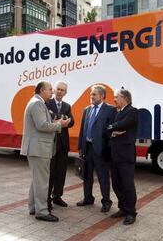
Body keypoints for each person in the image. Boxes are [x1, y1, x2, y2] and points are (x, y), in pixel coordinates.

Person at [20, 81, 71, 222]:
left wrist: (55, 121)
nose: (53, 92)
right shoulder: (37, 103)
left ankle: (33, 207)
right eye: (50, 89)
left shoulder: (37, 102)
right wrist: (59, 124)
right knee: (42, 181)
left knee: (36, 180)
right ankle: (42, 211)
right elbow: (42, 125)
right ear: (42, 90)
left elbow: (42, 123)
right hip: (39, 148)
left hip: (37, 148)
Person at [77, 84, 116, 213]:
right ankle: (88, 198)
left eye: (94, 94)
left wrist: (109, 148)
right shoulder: (87, 110)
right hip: (87, 148)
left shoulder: (110, 110)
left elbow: (112, 131)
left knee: (102, 176)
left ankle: (106, 201)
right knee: (86, 175)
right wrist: (81, 147)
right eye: (91, 94)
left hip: (101, 149)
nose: (91, 96)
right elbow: (82, 129)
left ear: (102, 96)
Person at [107, 88, 139, 225]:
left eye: (116, 97)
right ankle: (123, 208)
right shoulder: (116, 112)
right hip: (114, 155)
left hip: (126, 155)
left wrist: (112, 127)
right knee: (116, 184)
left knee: (127, 185)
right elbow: (107, 129)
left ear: (124, 98)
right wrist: (113, 131)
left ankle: (131, 212)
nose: (114, 99)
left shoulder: (132, 111)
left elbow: (124, 124)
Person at [46, 81, 74, 209]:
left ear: (65, 93)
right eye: (58, 89)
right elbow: (50, 117)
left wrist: (59, 118)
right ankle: (47, 199)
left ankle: (57, 196)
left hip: (63, 144)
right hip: (50, 143)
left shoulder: (67, 106)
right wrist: (62, 117)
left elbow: (72, 121)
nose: (59, 92)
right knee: (50, 172)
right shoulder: (47, 103)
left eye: (62, 90)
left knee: (61, 172)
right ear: (54, 90)